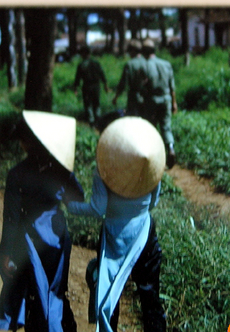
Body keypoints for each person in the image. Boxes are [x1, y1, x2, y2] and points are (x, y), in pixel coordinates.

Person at [68, 117, 167, 332]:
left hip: (115, 235)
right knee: (149, 294)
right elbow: (153, 202)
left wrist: (72, 207)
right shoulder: (150, 163)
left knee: (109, 291)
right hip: (144, 232)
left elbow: (97, 209)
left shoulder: (105, 168)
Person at [0, 111, 84, 332]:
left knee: (19, 290)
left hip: (30, 237)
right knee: (54, 292)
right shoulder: (61, 170)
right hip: (57, 236)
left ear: (26, 143)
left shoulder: (17, 174)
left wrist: (6, 250)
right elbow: (77, 198)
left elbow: (12, 217)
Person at [141, 39, 178, 168]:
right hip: (166, 99)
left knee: (152, 129)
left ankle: (155, 157)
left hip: (152, 101)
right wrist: (174, 102)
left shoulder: (145, 65)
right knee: (166, 127)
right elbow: (172, 86)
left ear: (144, 52)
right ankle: (171, 148)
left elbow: (143, 86)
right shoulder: (166, 64)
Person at [74, 45, 109, 127]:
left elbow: (77, 78)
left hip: (87, 86)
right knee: (97, 104)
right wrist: (105, 85)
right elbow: (102, 75)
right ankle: (98, 121)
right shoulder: (96, 63)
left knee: (88, 105)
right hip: (96, 86)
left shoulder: (81, 64)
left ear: (84, 53)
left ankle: (91, 122)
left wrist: (75, 88)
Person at [112, 40, 147, 117]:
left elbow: (122, 84)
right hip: (146, 96)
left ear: (133, 51)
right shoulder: (146, 62)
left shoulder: (129, 64)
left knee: (133, 119)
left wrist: (116, 97)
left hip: (133, 97)